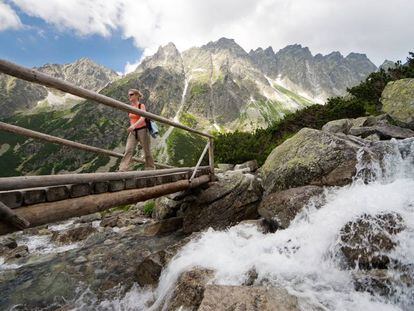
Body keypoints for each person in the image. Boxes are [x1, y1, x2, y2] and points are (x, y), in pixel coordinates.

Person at [119, 89, 155, 171]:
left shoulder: (141, 106)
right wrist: (132, 127)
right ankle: (122, 169)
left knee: (147, 151)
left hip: (142, 130)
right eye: (129, 95)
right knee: (128, 149)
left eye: (131, 94)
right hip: (133, 132)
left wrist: (134, 126)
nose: (129, 96)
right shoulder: (130, 107)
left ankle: (150, 168)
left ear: (136, 95)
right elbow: (132, 119)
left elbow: (143, 117)